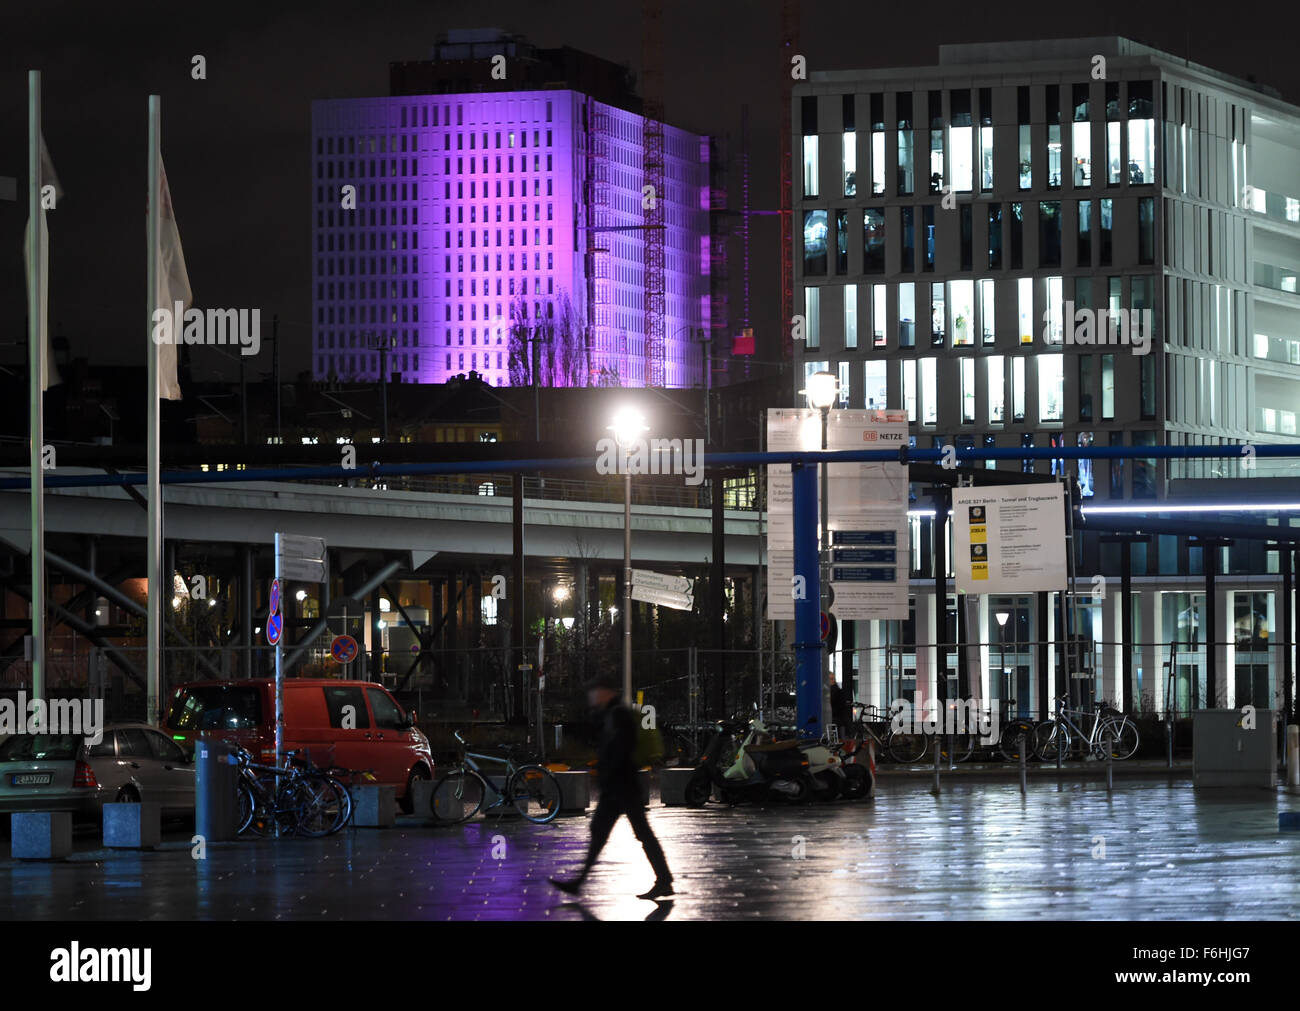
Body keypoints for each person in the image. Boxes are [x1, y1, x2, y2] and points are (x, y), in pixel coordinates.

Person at [550, 674, 673, 899]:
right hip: (617, 788)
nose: (590, 696)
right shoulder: (609, 714)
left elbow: (620, 749)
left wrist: (608, 773)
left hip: (623, 786)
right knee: (600, 833)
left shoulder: (620, 714)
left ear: (605, 691)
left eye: (593, 691)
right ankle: (579, 882)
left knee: (642, 834)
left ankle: (665, 880)